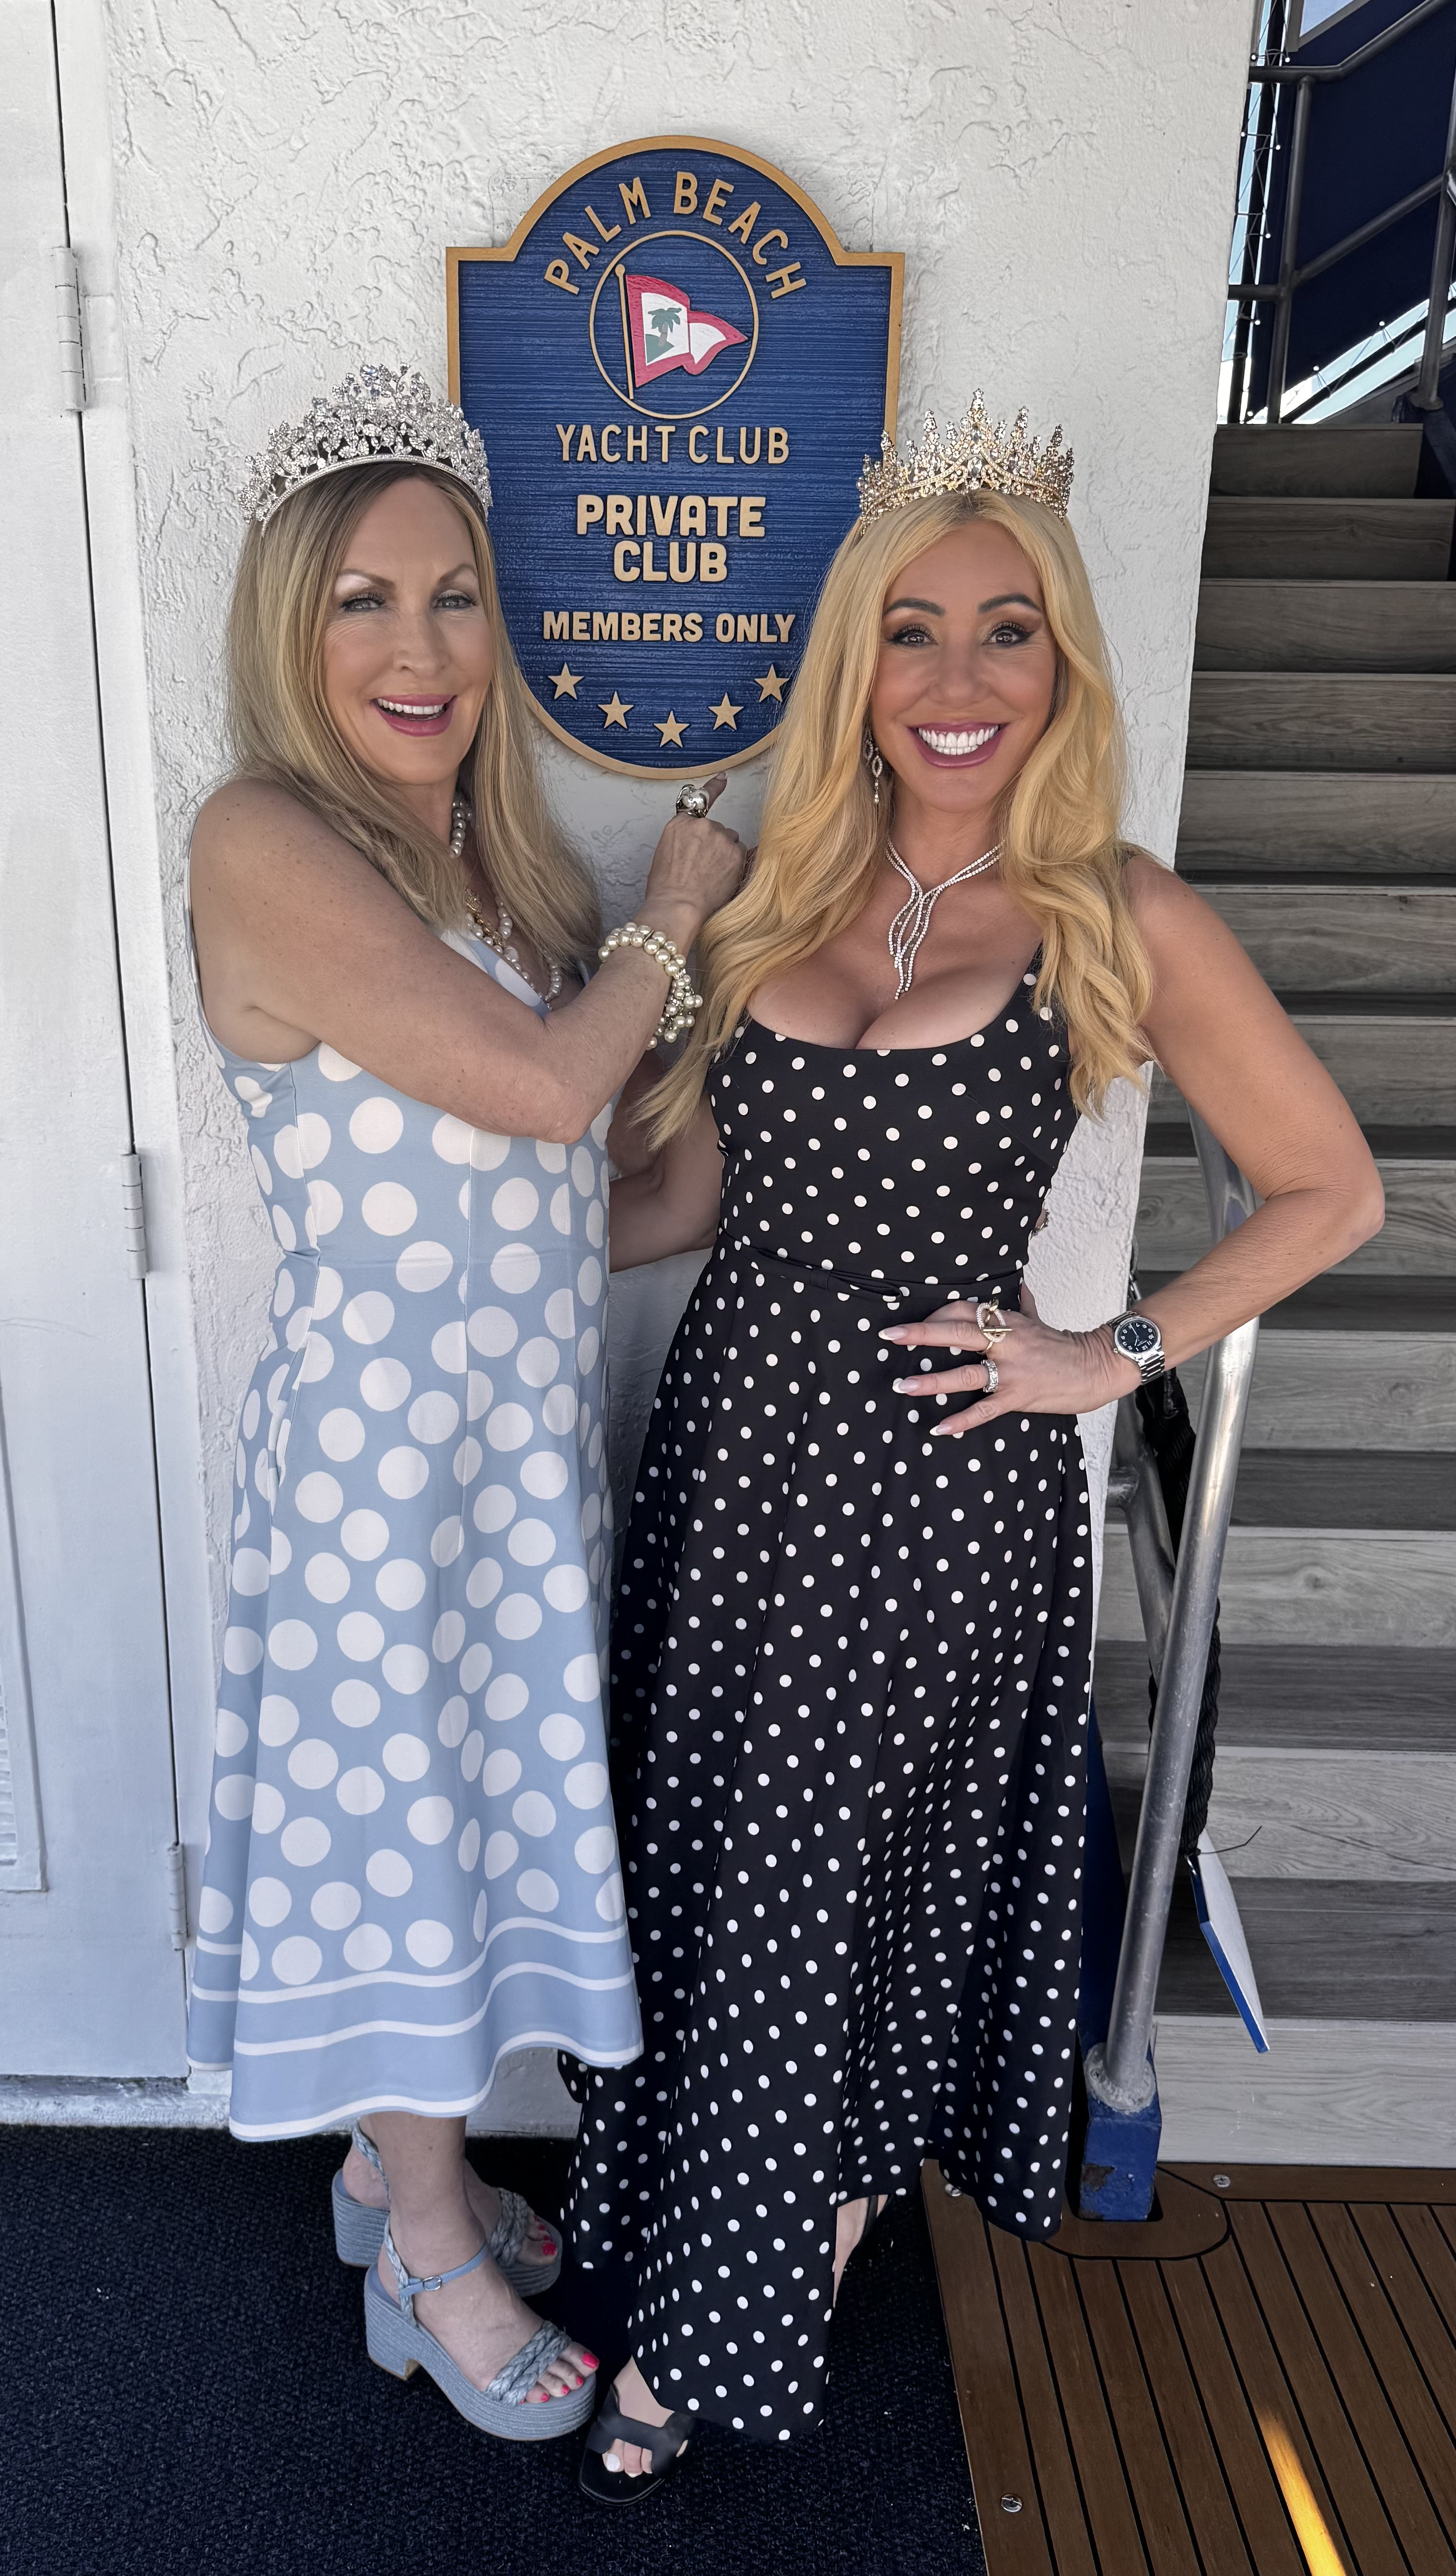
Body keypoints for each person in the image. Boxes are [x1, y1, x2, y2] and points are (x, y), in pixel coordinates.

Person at [567, 396, 1384, 2497]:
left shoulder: (1116, 909)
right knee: (718, 1871)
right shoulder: (777, 894)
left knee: (847, 1901)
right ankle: (722, 2227)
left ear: (1062, 662)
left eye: (1005, 630)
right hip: (736, 1470)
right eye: (909, 633)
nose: (955, 678)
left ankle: (725, 2320)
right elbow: (687, 1199)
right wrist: (476, 1241)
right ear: (855, 666)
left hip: (941, 1501)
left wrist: (1109, 1353)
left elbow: (1332, 1190)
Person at [184, 366, 743, 2442]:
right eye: (361, 601)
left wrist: (763, 1026)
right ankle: (428, 2259)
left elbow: (603, 1201)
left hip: (511, 1453)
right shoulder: (262, 838)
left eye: (450, 597)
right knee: (398, 1836)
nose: (416, 648)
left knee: (467, 1819)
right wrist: (674, 919)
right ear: (290, 629)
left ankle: (383, 2173)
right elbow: (530, 1088)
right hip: (378, 1460)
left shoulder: (501, 886)